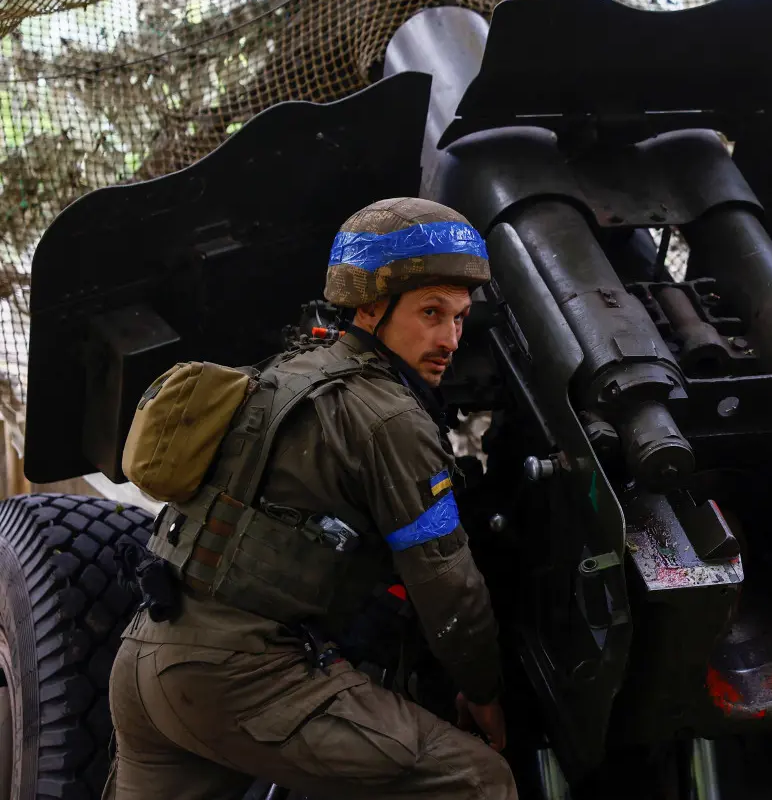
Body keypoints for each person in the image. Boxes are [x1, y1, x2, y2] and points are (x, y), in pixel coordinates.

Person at [105, 197, 515, 799]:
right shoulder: (390, 419)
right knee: (477, 780)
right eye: (431, 312)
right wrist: (483, 694)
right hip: (238, 677)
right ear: (371, 307)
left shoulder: (282, 374)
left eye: (458, 318)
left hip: (146, 659)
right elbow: (448, 586)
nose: (449, 338)